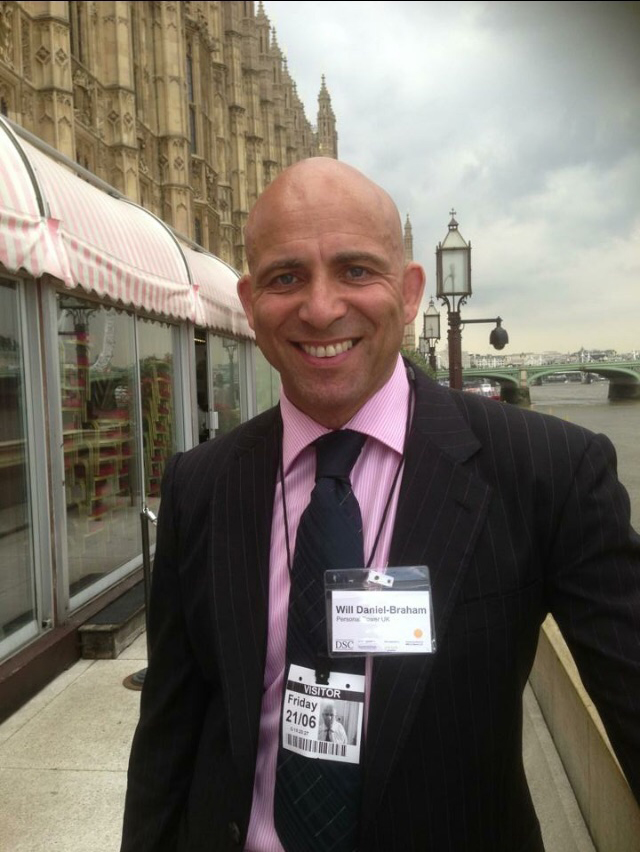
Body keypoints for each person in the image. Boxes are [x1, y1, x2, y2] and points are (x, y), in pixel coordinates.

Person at [121, 158, 640, 852]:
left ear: (411, 289)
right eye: (286, 277)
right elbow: (168, 737)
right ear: (249, 303)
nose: (321, 307)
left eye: (356, 271)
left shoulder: (549, 471)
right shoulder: (200, 484)